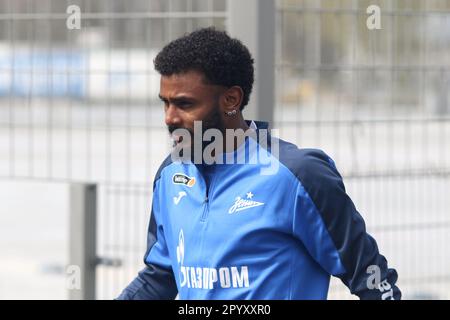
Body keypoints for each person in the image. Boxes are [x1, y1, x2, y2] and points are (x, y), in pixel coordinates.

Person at [117, 27, 401, 300]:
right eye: (165, 103)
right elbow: (161, 275)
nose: (169, 118)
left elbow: (372, 279)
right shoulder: (170, 174)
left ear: (231, 100)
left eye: (185, 104)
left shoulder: (298, 175)